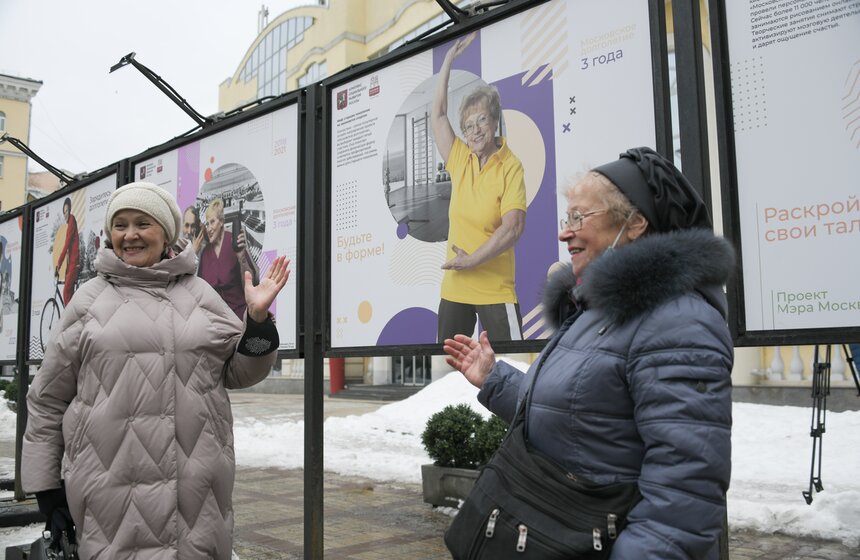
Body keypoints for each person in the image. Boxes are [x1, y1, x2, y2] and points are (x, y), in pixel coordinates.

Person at [443, 147, 735, 559]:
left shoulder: (679, 323)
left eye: (580, 217)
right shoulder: (597, 312)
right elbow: (583, 417)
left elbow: (683, 496)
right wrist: (495, 378)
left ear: (635, 223)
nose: (565, 233)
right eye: (568, 219)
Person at [22, 181, 290, 559]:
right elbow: (47, 401)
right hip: (108, 493)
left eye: (142, 223)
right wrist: (48, 492)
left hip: (195, 497)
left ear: (166, 233)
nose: (130, 234)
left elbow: (240, 372)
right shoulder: (88, 300)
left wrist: (259, 322)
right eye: (120, 224)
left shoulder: (199, 295)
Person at [431, 31, 527, 342]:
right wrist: (448, 61)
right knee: (448, 375)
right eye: (469, 125)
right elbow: (439, 114)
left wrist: (471, 260)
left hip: (495, 288)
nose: (474, 131)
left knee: (512, 369)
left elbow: (512, 229)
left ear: (495, 121)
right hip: (455, 287)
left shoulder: (511, 166)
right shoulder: (460, 158)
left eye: (481, 121)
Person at [198, 198, 259, 319]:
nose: (209, 228)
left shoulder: (234, 241)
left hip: (240, 317)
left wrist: (241, 257)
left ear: (221, 222)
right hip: (216, 322)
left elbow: (251, 285)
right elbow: (200, 292)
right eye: (207, 224)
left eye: (212, 222)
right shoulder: (205, 253)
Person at [55, 197, 80, 306]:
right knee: (69, 293)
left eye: (67, 211)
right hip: (71, 263)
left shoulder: (71, 222)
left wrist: (58, 264)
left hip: (74, 263)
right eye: (64, 212)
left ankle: (68, 318)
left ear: (70, 210)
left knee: (66, 291)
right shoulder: (70, 221)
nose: (65, 214)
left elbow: (66, 245)